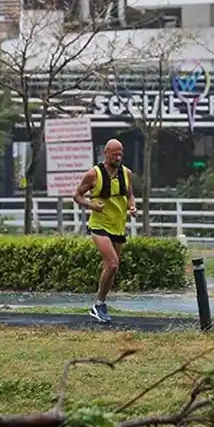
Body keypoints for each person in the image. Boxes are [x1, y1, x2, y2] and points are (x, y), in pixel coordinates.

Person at [73, 139, 136, 324]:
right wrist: (91, 204)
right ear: (106, 153)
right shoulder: (93, 174)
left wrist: (132, 207)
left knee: (111, 269)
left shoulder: (126, 173)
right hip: (99, 224)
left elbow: (130, 194)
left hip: (118, 225)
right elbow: (77, 196)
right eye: (115, 153)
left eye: (120, 153)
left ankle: (100, 303)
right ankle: (99, 304)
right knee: (113, 264)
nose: (118, 157)